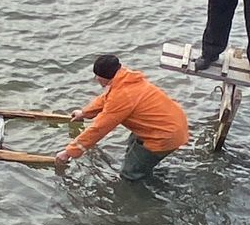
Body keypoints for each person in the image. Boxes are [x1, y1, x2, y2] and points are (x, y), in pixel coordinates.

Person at [55, 55, 189, 181]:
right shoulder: (126, 79)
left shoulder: (122, 96)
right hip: (172, 123)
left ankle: (144, 191)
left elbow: (99, 129)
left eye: (97, 76)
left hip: (165, 136)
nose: (96, 79)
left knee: (129, 174)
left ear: (103, 77)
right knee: (133, 144)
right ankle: (145, 167)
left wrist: (69, 152)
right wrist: (84, 113)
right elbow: (106, 99)